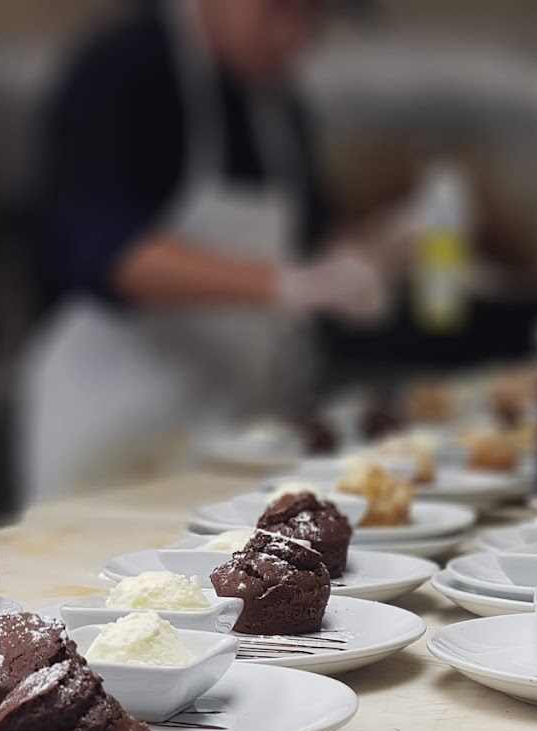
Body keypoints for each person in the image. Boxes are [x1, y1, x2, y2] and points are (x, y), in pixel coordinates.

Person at [21, 0, 393, 499]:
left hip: (237, 429)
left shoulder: (279, 106)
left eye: (312, 18)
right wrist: (287, 284)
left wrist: (371, 256)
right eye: (278, 9)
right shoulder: (122, 69)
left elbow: (314, 233)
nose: (293, 37)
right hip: (112, 433)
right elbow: (104, 249)